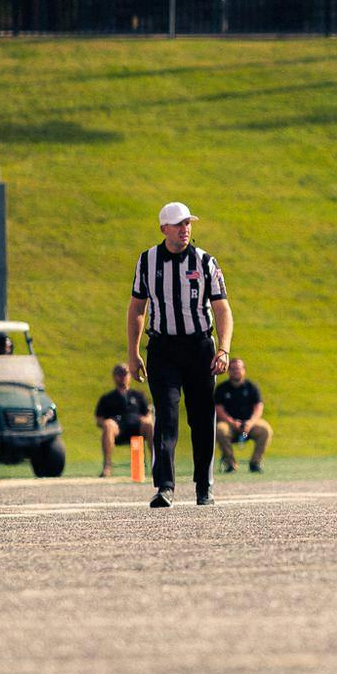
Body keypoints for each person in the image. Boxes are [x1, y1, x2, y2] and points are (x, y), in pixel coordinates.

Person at [127, 201, 232, 507]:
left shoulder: (205, 262)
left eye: (188, 224)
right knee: (166, 414)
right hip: (163, 348)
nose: (185, 229)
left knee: (201, 418)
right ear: (164, 229)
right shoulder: (147, 261)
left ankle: (204, 485)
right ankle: (165, 486)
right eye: (179, 224)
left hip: (199, 347)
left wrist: (223, 348)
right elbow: (137, 308)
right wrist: (133, 353)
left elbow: (222, 308)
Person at [94, 363, 155, 477]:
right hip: (118, 428)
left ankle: (155, 465)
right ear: (114, 376)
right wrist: (107, 423)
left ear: (130, 376)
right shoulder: (107, 398)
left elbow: (148, 413)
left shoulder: (138, 395)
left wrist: (145, 419)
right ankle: (107, 466)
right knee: (108, 426)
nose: (122, 377)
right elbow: (99, 419)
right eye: (119, 374)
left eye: (125, 374)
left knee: (149, 425)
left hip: (137, 426)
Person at [214, 355, 271, 473]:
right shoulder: (222, 389)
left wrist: (250, 423)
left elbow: (258, 407)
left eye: (238, 368)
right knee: (220, 430)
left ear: (244, 370)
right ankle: (230, 463)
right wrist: (232, 422)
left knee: (265, 430)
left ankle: (255, 462)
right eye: (233, 369)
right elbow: (219, 409)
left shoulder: (251, 387)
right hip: (230, 425)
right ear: (228, 371)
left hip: (249, 425)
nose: (236, 371)